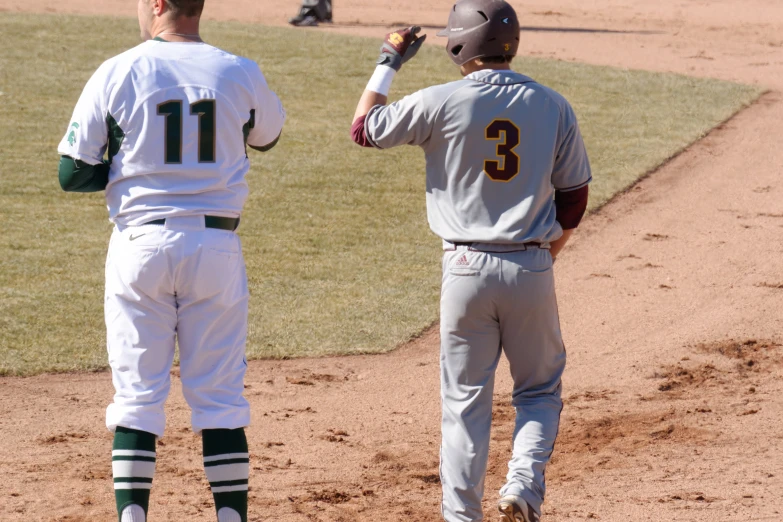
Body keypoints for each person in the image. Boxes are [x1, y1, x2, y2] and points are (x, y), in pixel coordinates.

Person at [350, 1, 591, 520]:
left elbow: (362, 128)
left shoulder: (438, 101)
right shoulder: (553, 104)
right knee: (540, 389)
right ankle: (522, 488)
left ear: (459, 45)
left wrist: (389, 59)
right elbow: (574, 198)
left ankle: (462, 517)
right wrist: (545, 256)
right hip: (531, 266)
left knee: (464, 405)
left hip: (463, 272)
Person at [57, 0, 285, 520]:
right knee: (220, 398)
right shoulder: (237, 69)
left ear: (158, 4)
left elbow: (72, 173)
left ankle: (132, 516)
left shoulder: (118, 69)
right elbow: (266, 136)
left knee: (138, 395)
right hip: (215, 250)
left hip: (139, 249)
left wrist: (123, 167)